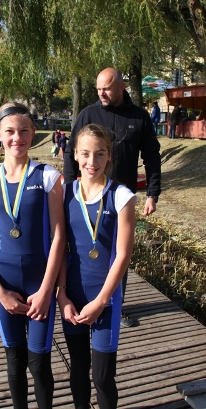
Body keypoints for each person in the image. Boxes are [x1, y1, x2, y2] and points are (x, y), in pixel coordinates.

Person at [0, 103, 66, 409]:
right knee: (14, 361)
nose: (18, 137)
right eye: (10, 131)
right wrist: (0, 293)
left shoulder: (48, 176)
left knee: (39, 362)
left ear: (33, 133)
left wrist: (47, 291)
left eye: (24, 131)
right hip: (5, 285)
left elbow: (59, 237)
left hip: (41, 286)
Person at [63, 67, 161, 328]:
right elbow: (71, 152)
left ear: (121, 87)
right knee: (80, 249)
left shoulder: (139, 117)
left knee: (119, 253)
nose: (101, 93)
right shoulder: (88, 114)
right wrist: (70, 189)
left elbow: (152, 156)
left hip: (119, 201)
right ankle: (77, 298)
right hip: (86, 197)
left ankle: (116, 305)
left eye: (106, 88)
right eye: (98, 89)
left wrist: (152, 193)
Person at [56, 124, 136, 409]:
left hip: (106, 302)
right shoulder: (64, 194)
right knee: (78, 370)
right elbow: (60, 248)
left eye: (100, 154)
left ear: (109, 156)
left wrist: (101, 301)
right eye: (86, 153)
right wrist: (61, 295)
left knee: (102, 377)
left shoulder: (122, 196)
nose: (92, 161)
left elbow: (123, 255)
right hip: (72, 298)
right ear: (75, 155)